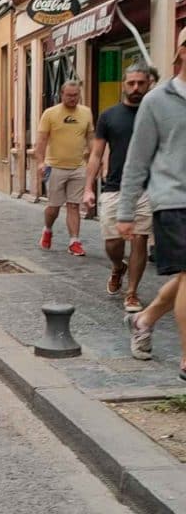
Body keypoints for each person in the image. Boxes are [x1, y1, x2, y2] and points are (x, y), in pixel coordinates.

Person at [118, 27, 186, 380]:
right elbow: (137, 159)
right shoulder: (157, 101)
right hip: (173, 200)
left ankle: (144, 320)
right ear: (182, 52)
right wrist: (126, 210)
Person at [83, 63, 152, 313]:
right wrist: (89, 188)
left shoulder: (154, 113)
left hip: (147, 188)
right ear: (123, 84)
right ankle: (117, 266)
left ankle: (132, 293)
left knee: (140, 240)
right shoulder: (109, 116)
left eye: (141, 83)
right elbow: (96, 154)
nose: (136, 88)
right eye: (131, 83)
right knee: (113, 243)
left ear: (149, 84)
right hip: (114, 187)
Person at [35, 80, 94, 256]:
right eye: (69, 95)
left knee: (74, 205)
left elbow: (91, 137)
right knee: (53, 206)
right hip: (55, 167)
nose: (72, 98)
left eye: (76, 95)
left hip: (78, 167)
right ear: (62, 95)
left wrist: (94, 158)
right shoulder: (50, 114)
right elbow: (41, 140)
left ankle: (74, 241)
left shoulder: (86, 113)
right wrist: (40, 162)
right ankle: (48, 229)